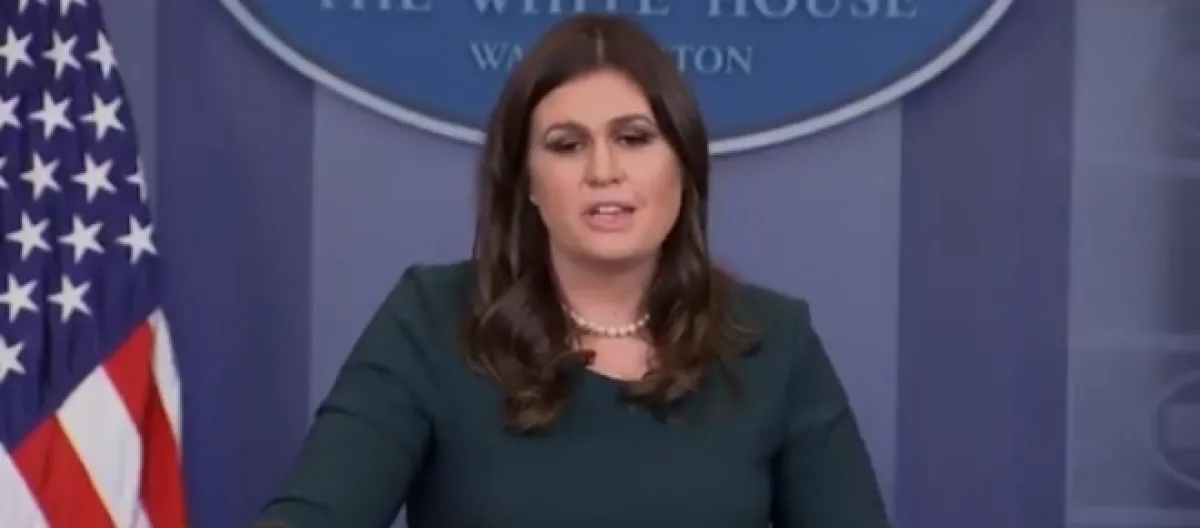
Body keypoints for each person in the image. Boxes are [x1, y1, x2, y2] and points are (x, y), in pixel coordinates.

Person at [253, 13, 890, 528]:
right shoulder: (432, 320)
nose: (603, 171)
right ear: (528, 182)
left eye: (634, 138)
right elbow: (316, 514)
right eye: (567, 145)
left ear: (683, 163)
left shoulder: (774, 343)